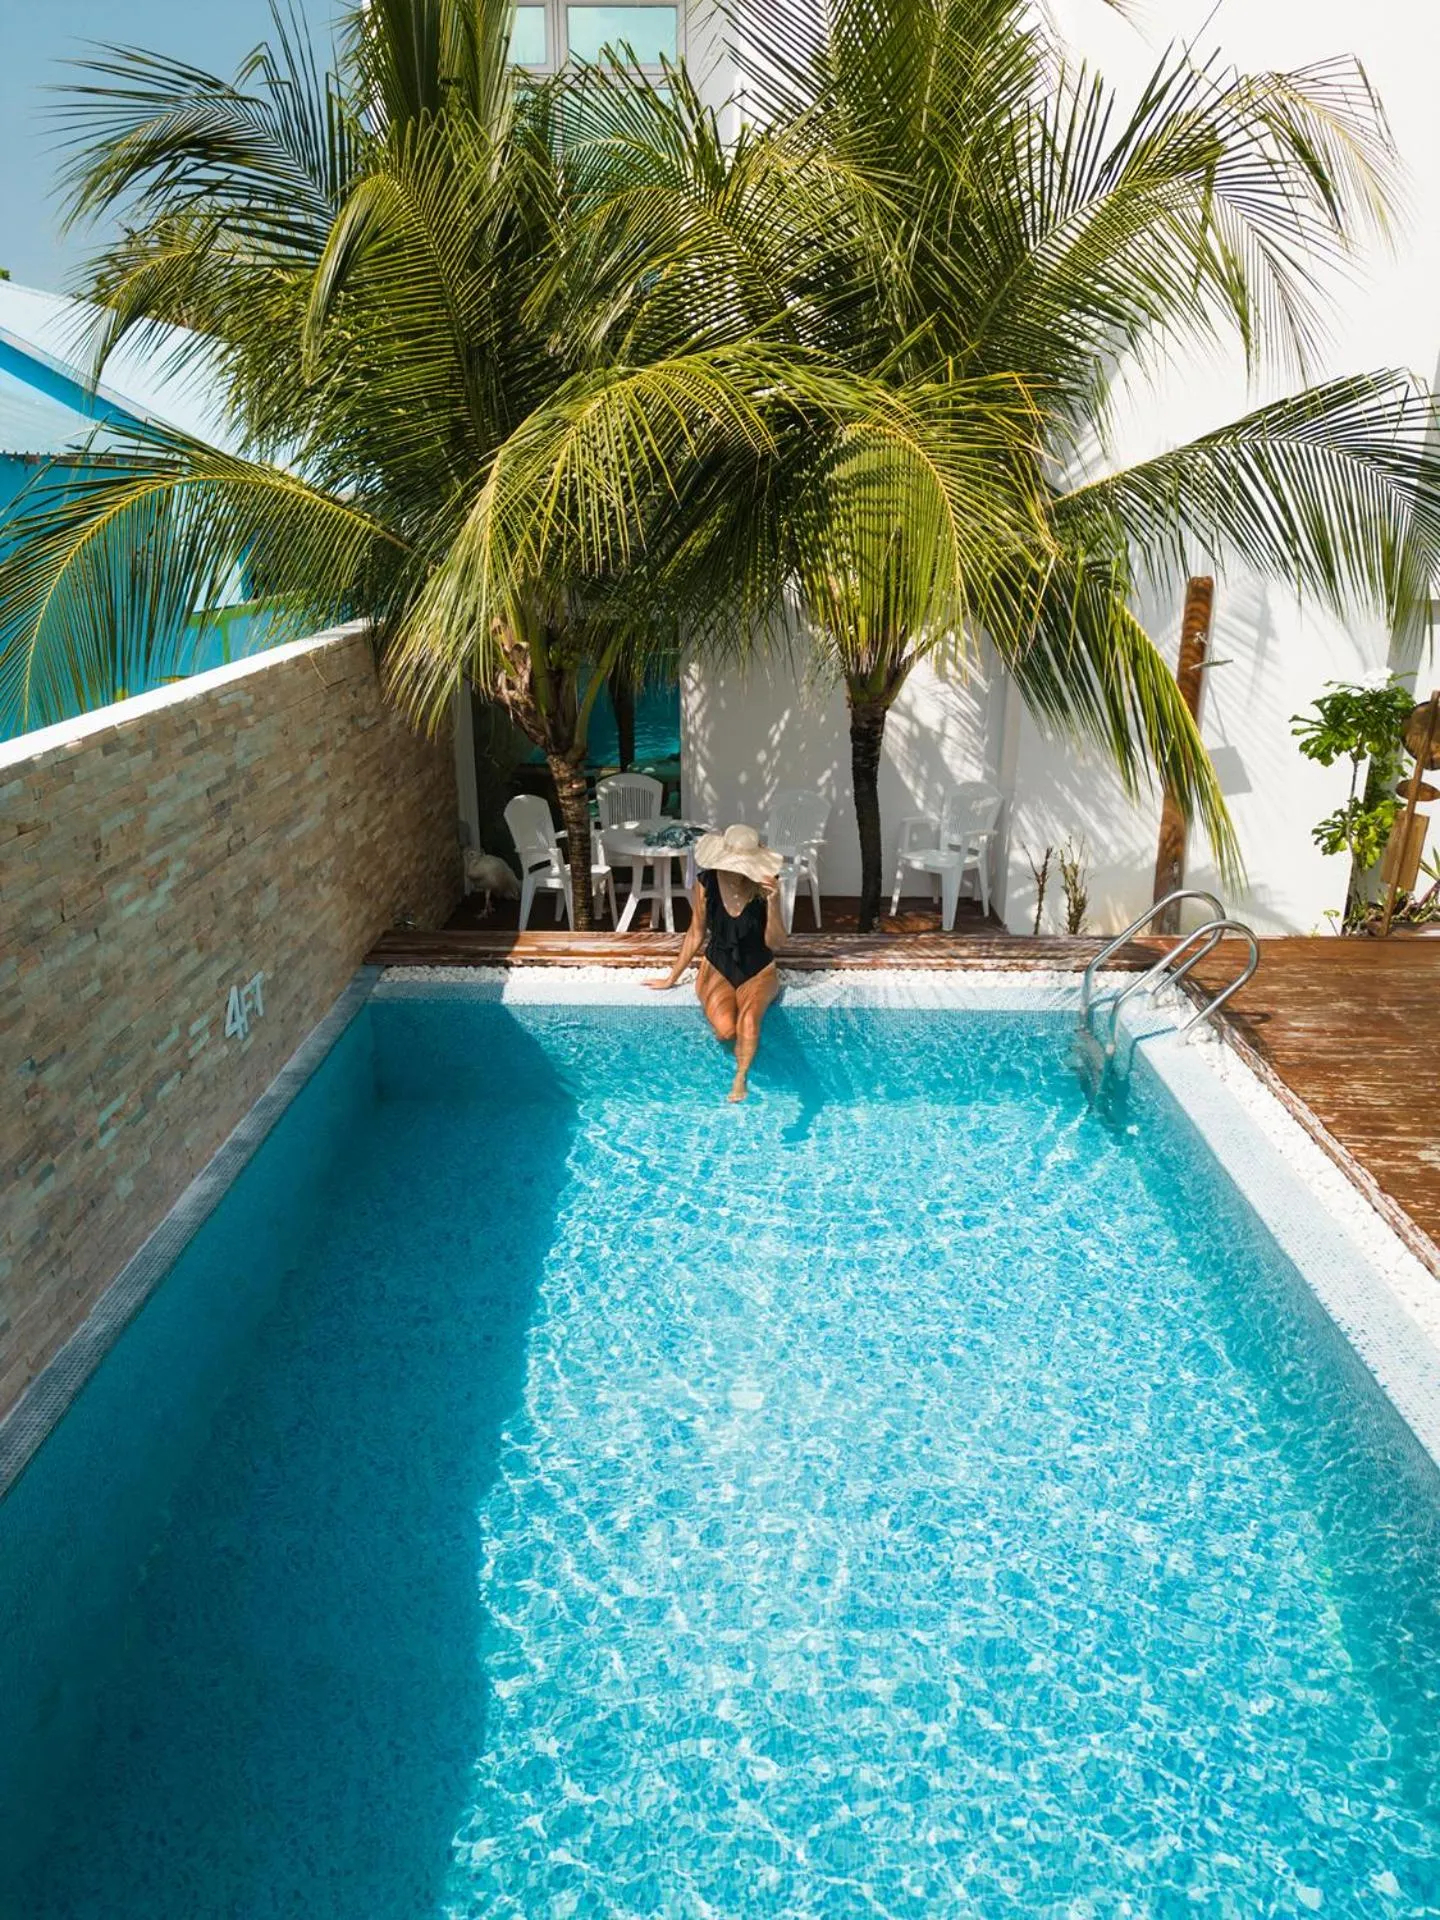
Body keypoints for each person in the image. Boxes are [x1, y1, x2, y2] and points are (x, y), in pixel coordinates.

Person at [647, 823, 786, 1101]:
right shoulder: (705, 882)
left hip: (758, 969)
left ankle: (740, 1078)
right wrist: (671, 978)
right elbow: (696, 931)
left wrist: (773, 903)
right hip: (717, 966)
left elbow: (776, 943)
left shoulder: (765, 886)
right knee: (726, 1031)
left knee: (749, 1021)